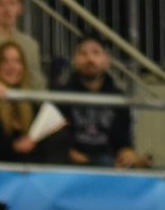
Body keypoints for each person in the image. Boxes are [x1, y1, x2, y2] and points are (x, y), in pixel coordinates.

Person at [52, 35, 142, 169]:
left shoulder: (119, 98)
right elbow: (55, 141)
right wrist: (70, 154)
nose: (90, 59)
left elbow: (122, 142)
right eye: (83, 54)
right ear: (75, 60)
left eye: (96, 53)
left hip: (109, 163)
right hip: (70, 165)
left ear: (107, 60)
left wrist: (129, 156)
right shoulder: (61, 96)